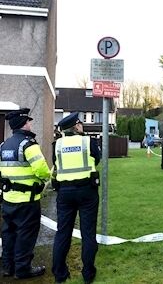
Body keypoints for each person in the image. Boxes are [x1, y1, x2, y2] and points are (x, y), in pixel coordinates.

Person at [0, 108, 50, 279]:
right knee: (25, 235)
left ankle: (8, 267)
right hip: (27, 200)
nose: (30, 124)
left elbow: (1, 170)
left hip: (8, 199)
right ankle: (22, 269)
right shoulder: (28, 144)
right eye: (28, 121)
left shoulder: (3, 146)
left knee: (9, 233)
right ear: (23, 124)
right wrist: (45, 179)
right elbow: (41, 169)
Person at [51, 112, 101, 284]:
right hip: (87, 191)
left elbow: (56, 164)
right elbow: (97, 159)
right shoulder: (88, 142)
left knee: (63, 233)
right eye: (80, 123)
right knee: (88, 233)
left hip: (65, 192)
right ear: (76, 126)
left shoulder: (56, 145)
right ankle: (88, 273)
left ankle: (59, 274)